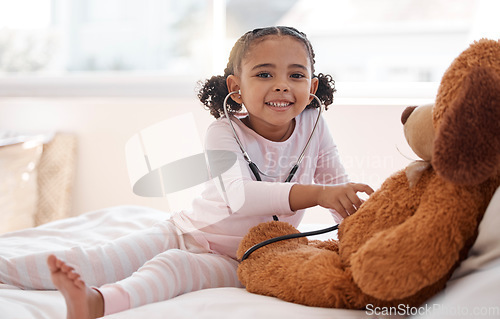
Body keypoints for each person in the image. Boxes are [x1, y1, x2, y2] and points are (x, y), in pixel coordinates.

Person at [0, 26, 373, 319]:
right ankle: (6, 270)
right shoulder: (223, 132)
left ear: (311, 88)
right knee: (98, 259)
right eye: (263, 73)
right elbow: (237, 195)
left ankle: (96, 303)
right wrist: (318, 194)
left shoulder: (314, 127)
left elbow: (334, 188)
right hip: (186, 231)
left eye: (296, 75)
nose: (281, 85)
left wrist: (357, 230)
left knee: (174, 270)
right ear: (236, 88)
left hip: (246, 256)